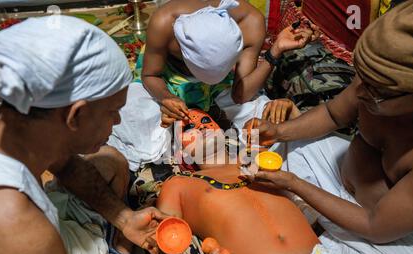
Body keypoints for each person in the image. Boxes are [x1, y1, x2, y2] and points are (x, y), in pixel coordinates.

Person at [0, 15, 242, 254]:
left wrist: (124, 218)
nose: (118, 121)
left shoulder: (4, 120)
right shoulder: (23, 236)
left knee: (111, 159)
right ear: (75, 115)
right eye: (112, 111)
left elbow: (65, 163)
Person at [244, 0, 413, 254]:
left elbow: (376, 225)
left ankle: (325, 239)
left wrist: (295, 184)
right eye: (363, 80)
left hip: (383, 231)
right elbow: (333, 114)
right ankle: (326, 233)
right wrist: (278, 131)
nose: (362, 92)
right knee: (286, 145)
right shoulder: (374, 80)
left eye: (377, 93)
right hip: (337, 179)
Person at [147, 110, 362, 254]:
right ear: (179, 151)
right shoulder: (178, 185)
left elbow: (311, 143)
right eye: (188, 127)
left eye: (205, 119)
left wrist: (288, 108)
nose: (201, 126)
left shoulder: (264, 158)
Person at [107, 0, 320, 171]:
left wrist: (276, 51)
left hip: (221, 90)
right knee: (126, 112)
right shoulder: (164, 22)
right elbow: (150, 75)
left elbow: (240, 94)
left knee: (263, 118)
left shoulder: (251, 23)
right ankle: (169, 146)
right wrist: (166, 97)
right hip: (167, 82)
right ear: (181, 45)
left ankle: (182, 145)